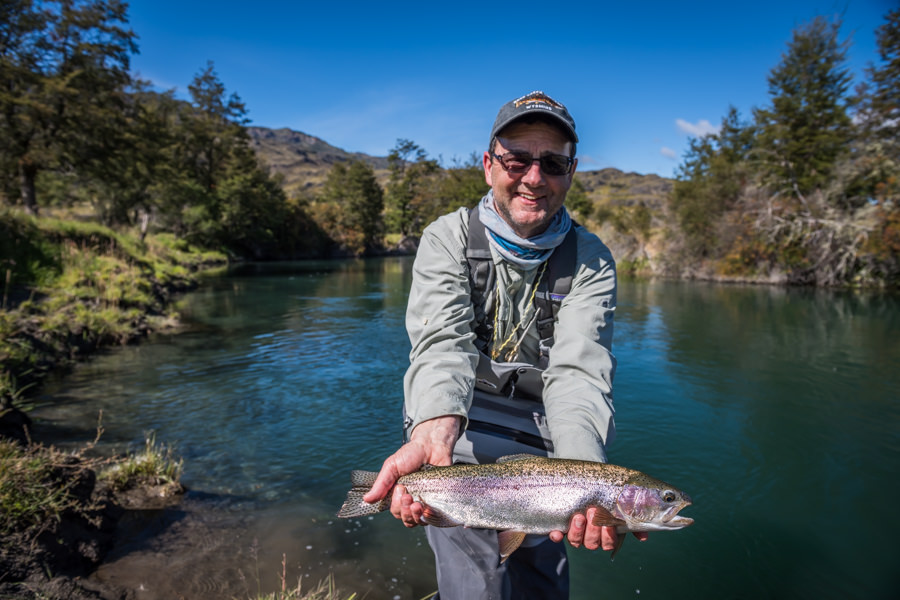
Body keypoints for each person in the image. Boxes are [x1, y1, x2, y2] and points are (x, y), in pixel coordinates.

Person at [363, 91, 646, 599]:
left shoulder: (592, 260)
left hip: (549, 446)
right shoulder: (446, 238)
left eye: (553, 163)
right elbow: (441, 347)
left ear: (572, 171)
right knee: (477, 585)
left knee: (543, 582)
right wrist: (432, 436)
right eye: (517, 159)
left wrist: (583, 486)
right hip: (455, 428)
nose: (534, 178)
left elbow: (579, 375)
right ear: (490, 165)